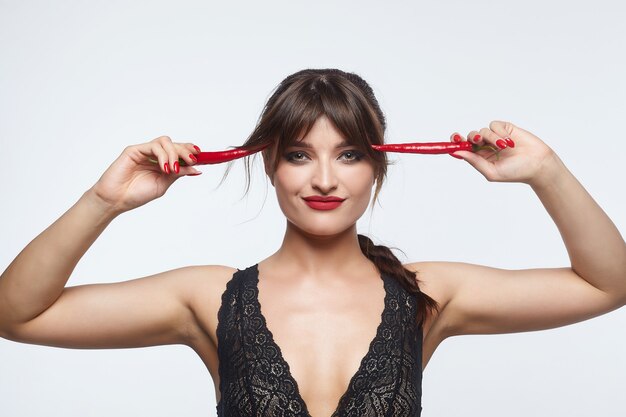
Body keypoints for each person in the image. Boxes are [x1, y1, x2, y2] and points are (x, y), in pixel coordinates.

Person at [0, 68, 624, 417]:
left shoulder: (425, 295)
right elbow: (16, 313)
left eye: (348, 154)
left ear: (377, 169)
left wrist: (547, 170)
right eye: (299, 155)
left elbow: (608, 285)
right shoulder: (211, 298)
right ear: (269, 165)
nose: (324, 178)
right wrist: (104, 201)